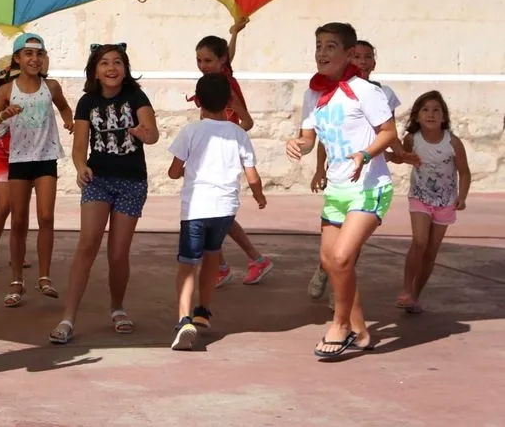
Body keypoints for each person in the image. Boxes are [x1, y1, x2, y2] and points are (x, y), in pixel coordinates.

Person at [286, 22, 397, 357]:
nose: (322, 52)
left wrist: (366, 153)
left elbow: (389, 132)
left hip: (369, 186)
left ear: (349, 54)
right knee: (332, 262)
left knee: (341, 256)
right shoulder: (313, 94)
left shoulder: (366, 91)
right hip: (336, 188)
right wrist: (298, 145)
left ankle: (341, 326)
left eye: (330, 46)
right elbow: (309, 138)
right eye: (319, 45)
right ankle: (361, 329)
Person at [49, 43, 158, 344]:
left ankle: (117, 308)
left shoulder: (136, 96)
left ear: (125, 68)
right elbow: (79, 146)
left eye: (118, 62)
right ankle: (68, 318)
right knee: (87, 244)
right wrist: (81, 166)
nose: (112, 68)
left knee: (118, 253)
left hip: (132, 182)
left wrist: (143, 133)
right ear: (95, 70)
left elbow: (153, 134)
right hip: (98, 180)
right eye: (105, 63)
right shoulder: (87, 102)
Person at [0, 34, 74, 307]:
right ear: (17, 58)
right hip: (19, 160)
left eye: (39, 54)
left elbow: (63, 106)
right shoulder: (7, 90)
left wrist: (70, 120)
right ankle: (16, 280)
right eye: (28, 54)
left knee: (47, 216)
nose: (34, 59)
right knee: (18, 220)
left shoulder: (51, 86)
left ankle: (45, 277)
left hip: (46, 157)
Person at [168, 72, 266, 350]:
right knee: (212, 258)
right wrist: (259, 197)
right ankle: (203, 311)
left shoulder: (190, 131)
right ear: (229, 102)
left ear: (198, 101)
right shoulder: (238, 134)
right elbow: (253, 176)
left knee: (188, 265)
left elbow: (174, 172)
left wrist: (188, 170)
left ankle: (183, 318)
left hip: (196, 209)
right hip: (225, 211)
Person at [190, 20, 274, 287]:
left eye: (208, 60)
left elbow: (246, 122)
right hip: (206, 154)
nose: (203, 65)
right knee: (210, 215)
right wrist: (234, 33)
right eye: (199, 60)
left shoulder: (225, 87)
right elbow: (228, 56)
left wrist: (227, 127)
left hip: (222, 157)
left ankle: (250, 260)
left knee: (215, 216)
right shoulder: (212, 79)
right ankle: (223, 265)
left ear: (220, 60)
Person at [397, 91, 470, 313]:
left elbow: (464, 173)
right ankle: (406, 289)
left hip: (445, 202)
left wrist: (462, 197)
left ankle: (415, 296)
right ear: (417, 116)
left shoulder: (453, 143)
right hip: (420, 197)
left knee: (431, 251)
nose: (431, 114)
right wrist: (394, 156)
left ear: (444, 117)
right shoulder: (412, 139)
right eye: (425, 110)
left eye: (436, 110)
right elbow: (402, 156)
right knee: (419, 240)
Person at [0, 54, 43, 272]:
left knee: (21, 209)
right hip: (3, 157)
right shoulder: (0, 99)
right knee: (5, 204)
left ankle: (18, 252)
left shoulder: (34, 93)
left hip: (27, 157)